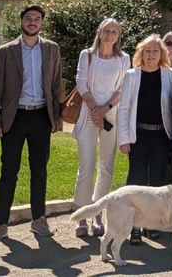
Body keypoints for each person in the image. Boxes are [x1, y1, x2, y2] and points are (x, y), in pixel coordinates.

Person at [0, 4, 64, 242]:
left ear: (42, 23)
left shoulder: (51, 49)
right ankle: (0, 223)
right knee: (9, 171)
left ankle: (38, 219)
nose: (33, 22)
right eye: (29, 18)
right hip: (15, 118)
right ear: (21, 21)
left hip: (41, 117)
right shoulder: (6, 51)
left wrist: (57, 117)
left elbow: (56, 85)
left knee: (39, 170)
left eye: (37, 18)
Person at [71, 17, 131, 239]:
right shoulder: (87, 55)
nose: (110, 35)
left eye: (114, 31)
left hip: (111, 116)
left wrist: (103, 110)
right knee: (85, 166)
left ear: (118, 36)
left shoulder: (124, 59)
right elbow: (81, 82)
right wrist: (94, 109)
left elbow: (123, 88)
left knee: (106, 167)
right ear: (99, 32)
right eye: (106, 30)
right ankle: (81, 215)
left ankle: (97, 213)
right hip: (88, 114)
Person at [117, 34, 172, 245]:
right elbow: (123, 109)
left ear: (162, 54)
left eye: (155, 51)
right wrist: (123, 139)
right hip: (138, 136)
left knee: (158, 182)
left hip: (161, 135)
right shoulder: (131, 75)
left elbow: (171, 106)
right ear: (141, 53)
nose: (151, 55)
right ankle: (132, 226)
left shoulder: (168, 74)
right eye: (147, 51)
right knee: (136, 180)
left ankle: (151, 225)